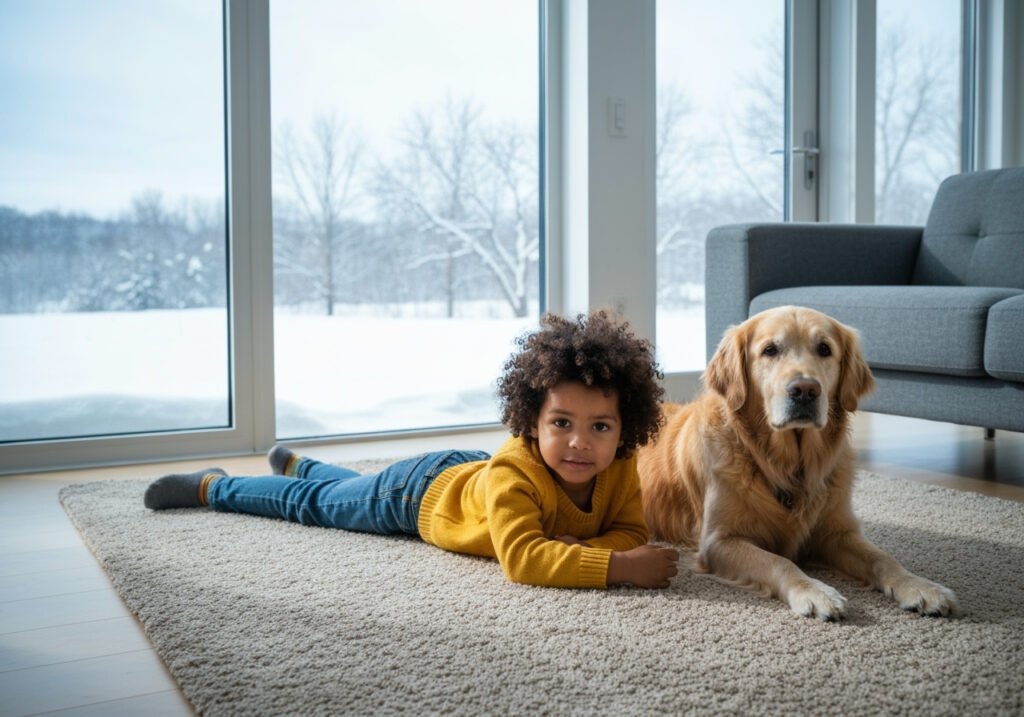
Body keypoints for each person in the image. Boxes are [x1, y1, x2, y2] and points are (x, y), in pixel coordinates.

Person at [144, 310, 679, 589]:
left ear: (624, 427)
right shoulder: (515, 472)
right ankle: (215, 487)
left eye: (601, 427)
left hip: (459, 477)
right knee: (318, 507)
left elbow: (631, 531)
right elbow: (523, 560)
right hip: (419, 495)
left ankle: (303, 465)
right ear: (531, 422)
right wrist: (619, 568)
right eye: (561, 422)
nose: (581, 442)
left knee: (338, 490)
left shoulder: (622, 465)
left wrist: (591, 547)